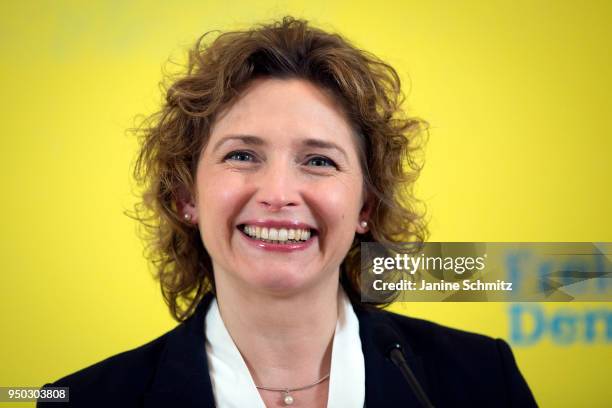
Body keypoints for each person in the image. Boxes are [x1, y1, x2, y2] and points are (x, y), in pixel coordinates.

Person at [39, 16, 537, 407]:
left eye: (319, 161)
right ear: (186, 196)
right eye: (241, 155)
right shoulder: (84, 399)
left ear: (365, 203)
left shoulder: (483, 378)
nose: (278, 192)